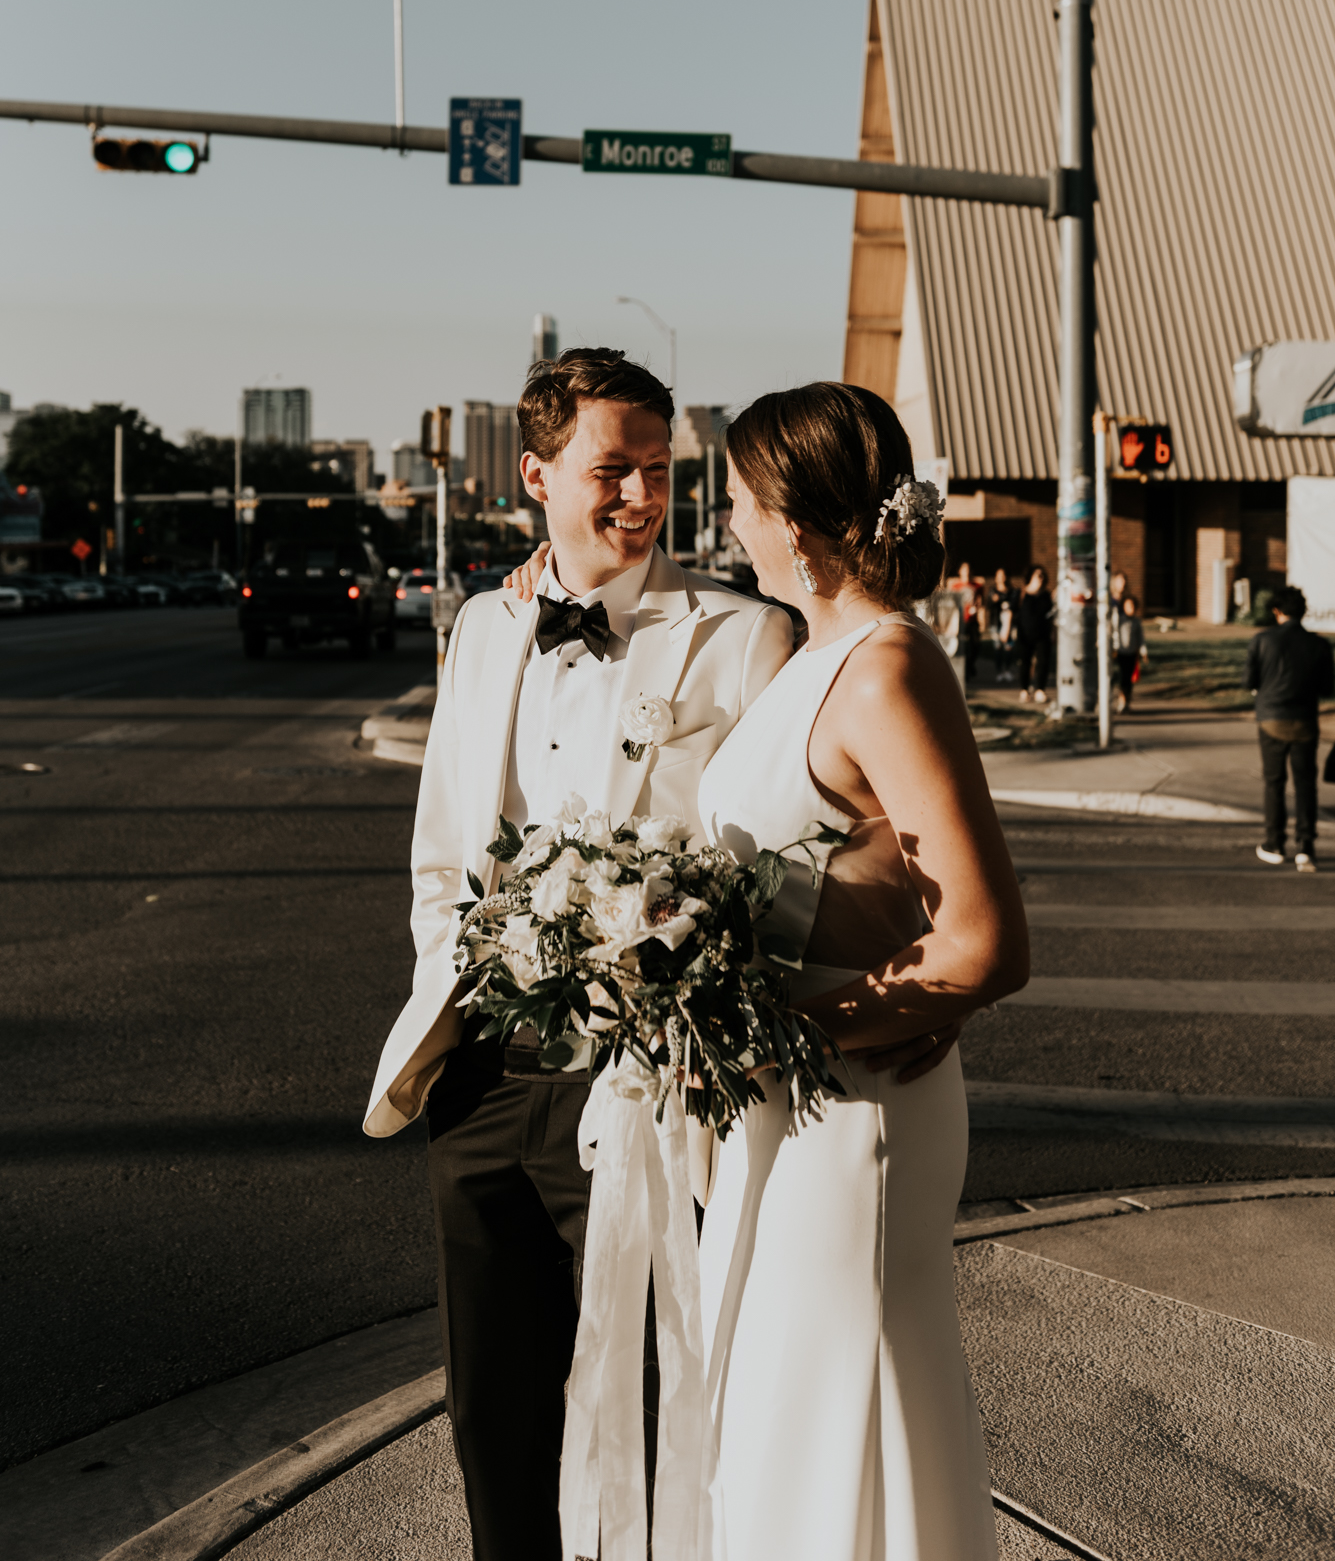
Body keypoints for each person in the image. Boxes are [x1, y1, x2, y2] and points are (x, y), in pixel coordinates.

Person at [362, 349, 798, 1561]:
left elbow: (776, 872)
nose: (643, 496)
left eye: (661, 469)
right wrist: (452, 998)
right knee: (490, 1412)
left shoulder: (741, 636)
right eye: (614, 469)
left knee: (649, 1412)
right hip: (482, 1078)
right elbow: (442, 851)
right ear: (537, 475)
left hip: (642, 1088)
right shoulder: (480, 627)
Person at [697, 382, 1029, 1561]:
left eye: (736, 497)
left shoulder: (887, 667)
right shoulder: (805, 655)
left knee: (840, 1408)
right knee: (777, 1408)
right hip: (780, 1102)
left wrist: (763, 1022)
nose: (725, 519)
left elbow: (985, 939)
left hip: (855, 1110)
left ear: (792, 519)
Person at [1246, 584, 1334, 872]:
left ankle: (1274, 843)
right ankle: (1305, 847)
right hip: (1305, 721)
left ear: (1276, 611)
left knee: (1274, 782)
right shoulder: (1320, 645)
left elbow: (1250, 682)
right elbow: (1326, 687)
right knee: (1305, 784)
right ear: (1303, 612)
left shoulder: (1261, 640)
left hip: (1270, 720)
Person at [1014, 564, 1053, 702]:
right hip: (1024, 634)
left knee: (1043, 662)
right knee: (1025, 662)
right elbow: (1012, 612)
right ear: (1030, 576)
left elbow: (1051, 615)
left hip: (1043, 635)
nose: (1041, 578)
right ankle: (1024, 690)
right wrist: (1007, 630)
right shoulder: (1021, 593)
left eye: (1043, 575)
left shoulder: (1046, 596)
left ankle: (1040, 690)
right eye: (1038, 575)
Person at [1115, 592, 1146, 712]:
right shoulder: (1120, 620)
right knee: (1123, 677)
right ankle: (1121, 700)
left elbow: (1141, 638)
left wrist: (1143, 651)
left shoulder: (1137, 622)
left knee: (1129, 679)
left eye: (1133, 606)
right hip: (1121, 653)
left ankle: (1127, 700)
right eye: (1128, 606)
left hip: (1132, 654)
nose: (1131, 609)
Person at [986, 565, 1017, 683]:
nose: (1001, 578)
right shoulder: (992, 591)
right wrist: (993, 601)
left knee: (1009, 647)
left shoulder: (1012, 591)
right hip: (995, 623)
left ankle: (1007, 670)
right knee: (998, 647)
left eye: (1003, 575)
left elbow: (1015, 606)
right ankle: (999, 671)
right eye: (998, 575)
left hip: (1010, 623)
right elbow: (988, 606)